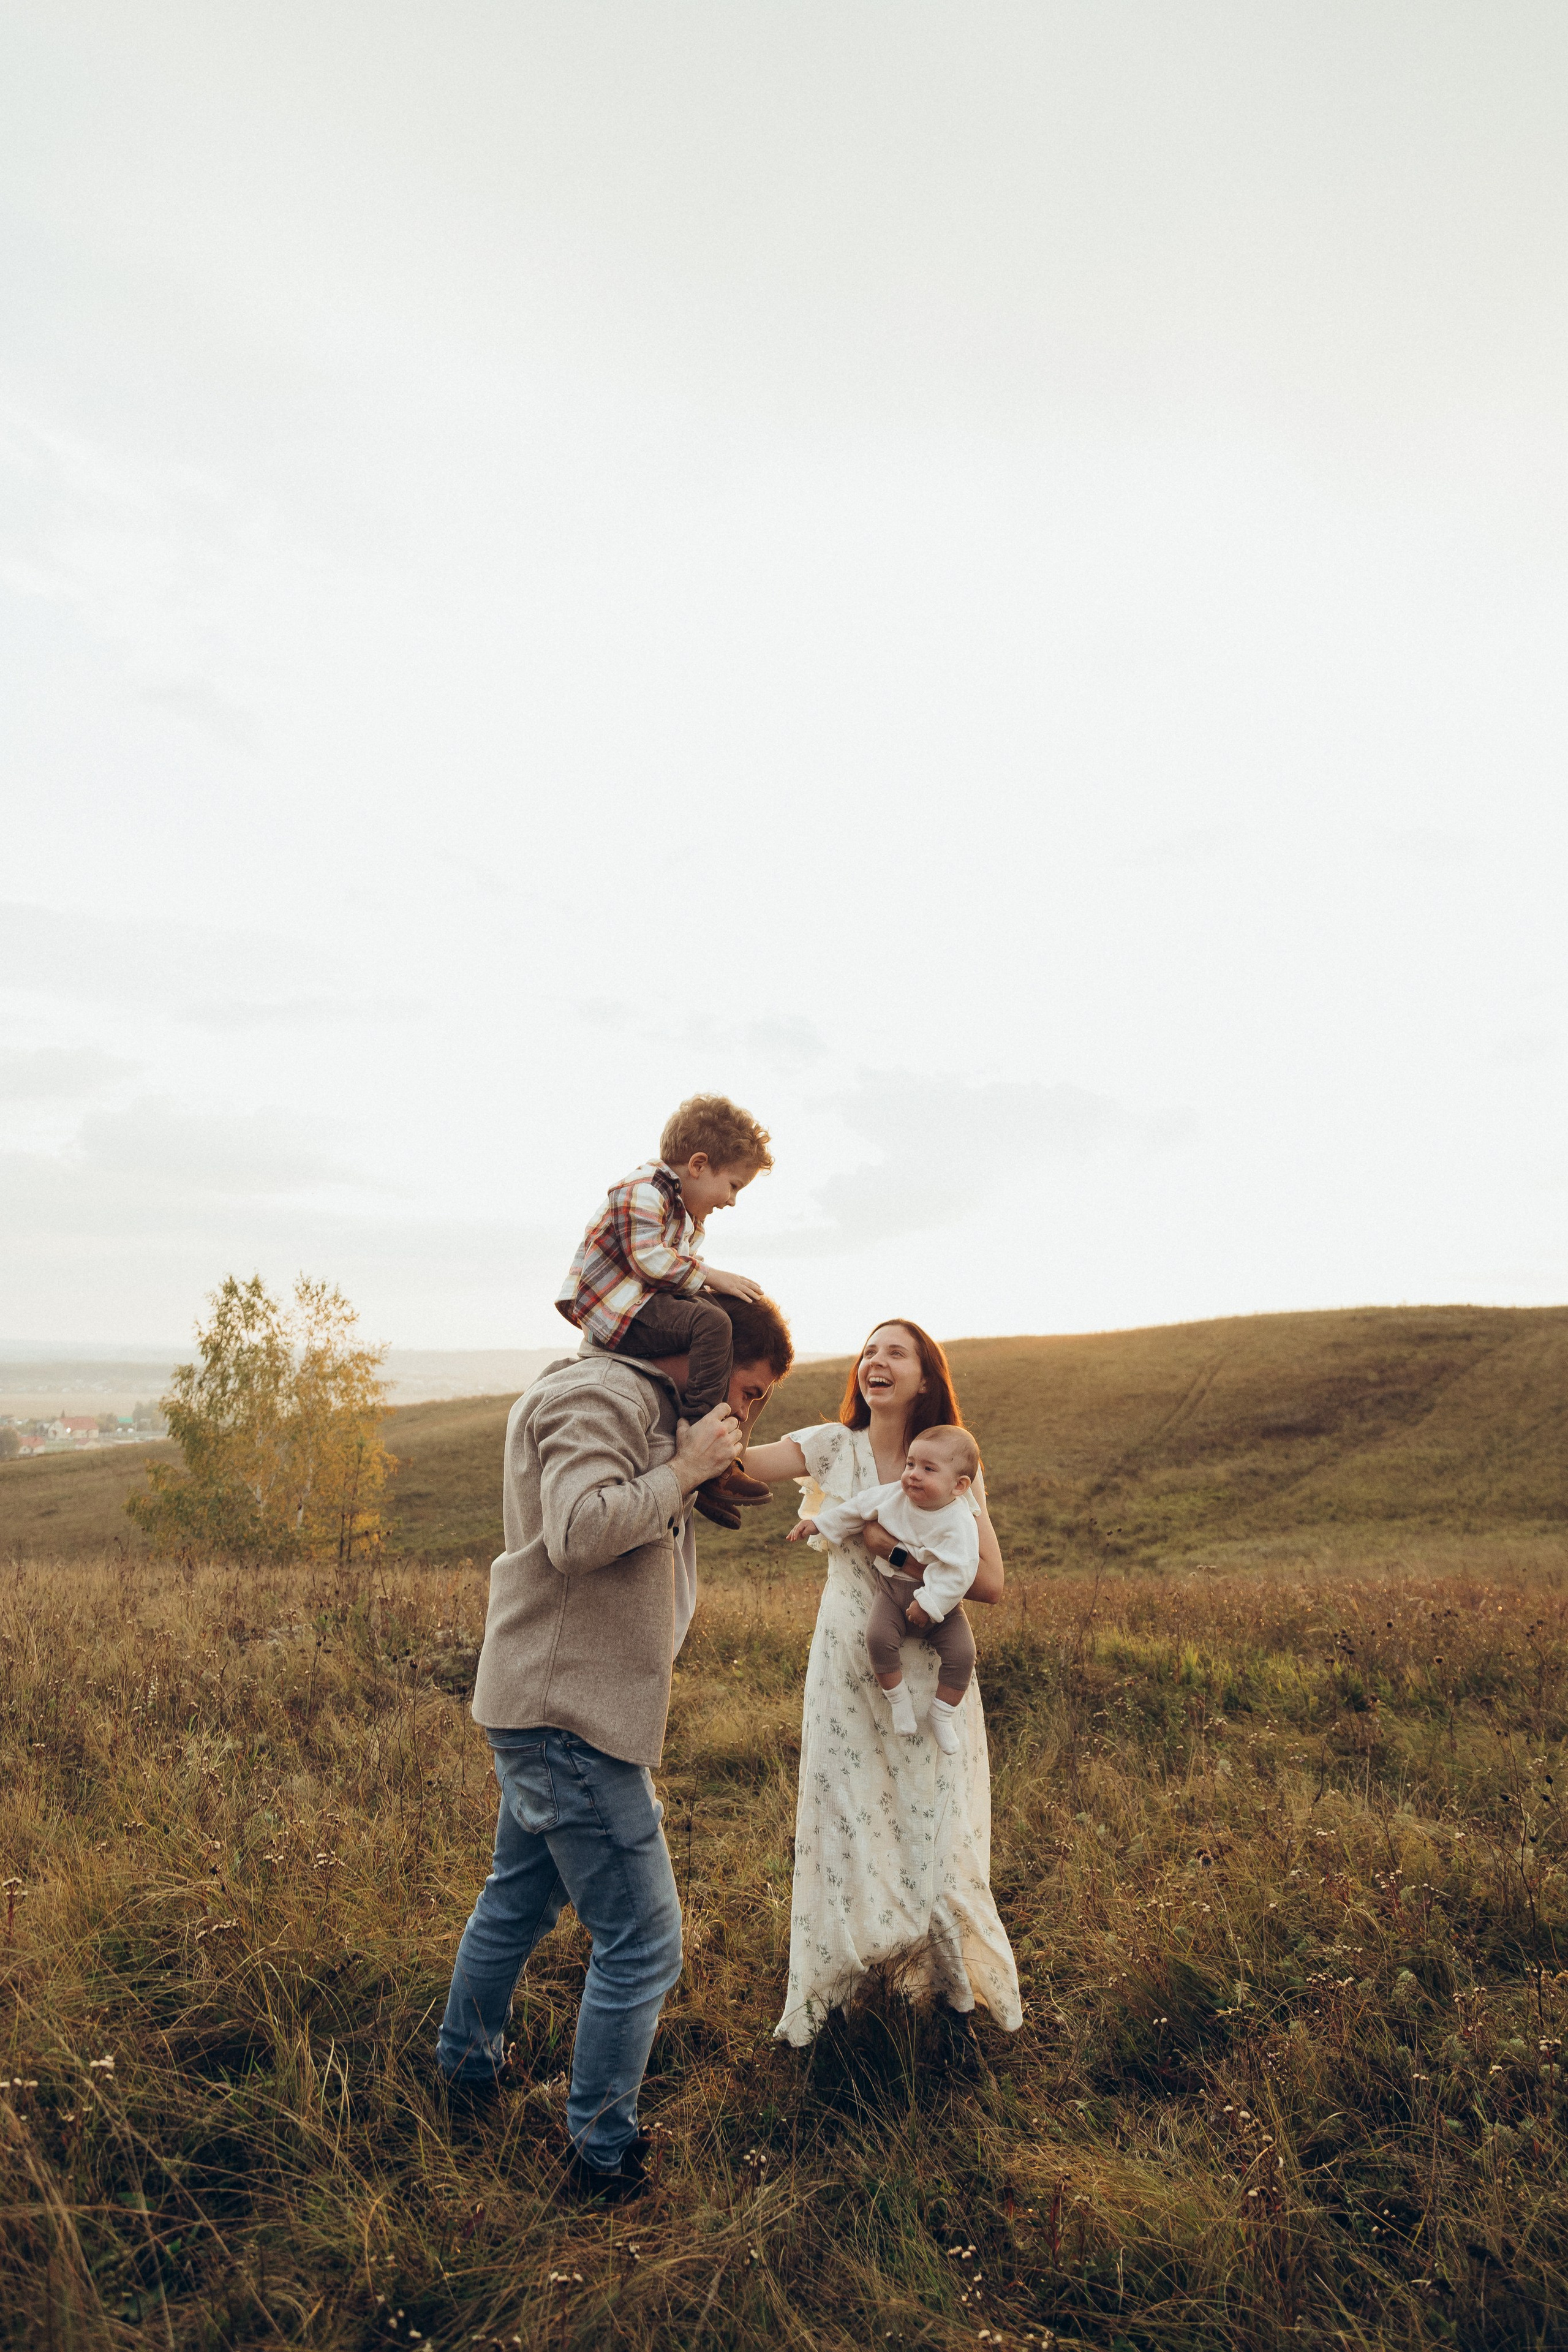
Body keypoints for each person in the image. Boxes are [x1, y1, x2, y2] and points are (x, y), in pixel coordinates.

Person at [435, 1291, 794, 2201]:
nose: (743, 1417)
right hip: (570, 1717)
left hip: (563, 1705)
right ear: (709, 1363)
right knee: (642, 1941)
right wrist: (682, 1471)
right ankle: (601, 2160)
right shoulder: (603, 1397)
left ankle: (464, 2077)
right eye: (747, 1394)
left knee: (517, 1900)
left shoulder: (634, 1404)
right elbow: (580, 1531)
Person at [744, 1319, 1022, 2045]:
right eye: (869, 1350)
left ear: (925, 1378)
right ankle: (838, 2000)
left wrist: (889, 1549)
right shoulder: (831, 1447)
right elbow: (738, 1464)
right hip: (846, 1663)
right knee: (844, 1820)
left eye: (895, 1352)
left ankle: (943, 2000)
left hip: (927, 1667)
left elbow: (989, 1583)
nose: (876, 1361)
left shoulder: (951, 1463)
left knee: (929, 1824)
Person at [556, 1093, 776, 1526]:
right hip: (617, 1311)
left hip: (640, 1305)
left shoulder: (686, 1214)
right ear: (697, 1165)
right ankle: (702, 1444)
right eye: (733, 1185)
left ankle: (706, 1474)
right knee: (713, 1321)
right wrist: (712, 1277)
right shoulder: (643, 1191)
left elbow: (672, 1274)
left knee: (734, 1321)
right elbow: (648, 1261)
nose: (731, 1200)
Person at [788, 1422, 980, 1751]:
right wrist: (817, 1523)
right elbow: (856, 1509)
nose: (913, 1475)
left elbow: (961, 1571)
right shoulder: (895, 1496)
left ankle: (942, 1713)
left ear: (959, 1486)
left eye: (928, 1469)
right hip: (892, 1590)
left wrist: (930, 1603)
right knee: (877, 1639)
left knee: (964, 1655)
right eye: (910, 1464)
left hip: (942, 1607)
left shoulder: (958, 1521)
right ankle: (899, 1701)